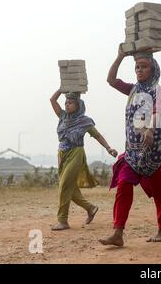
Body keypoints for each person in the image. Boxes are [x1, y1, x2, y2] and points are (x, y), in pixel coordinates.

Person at [99, 48, 161, 247]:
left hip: (155, 149)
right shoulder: (132, 89)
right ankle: (118, 232)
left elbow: (157, 111)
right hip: (133, 151)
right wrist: (119, 56)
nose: (139, 70)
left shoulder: (159, 90)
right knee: (124, 185)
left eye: (144, 67)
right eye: (137, 67)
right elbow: (110, 80)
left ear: (153, 69)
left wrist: (150, 130)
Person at [50, 90, 118, 231]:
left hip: (76, 153)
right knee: (70, 187)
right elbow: (52, 100)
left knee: (64, 185)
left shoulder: (84, 121)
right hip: (62, 154)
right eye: (66, 103)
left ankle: (62, 221)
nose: (67, 105)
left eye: (70, 103)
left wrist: (108, 148)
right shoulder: (62, 116)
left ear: (78, 105)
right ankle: (90, 208)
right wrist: (61, 89)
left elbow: (97, 135)